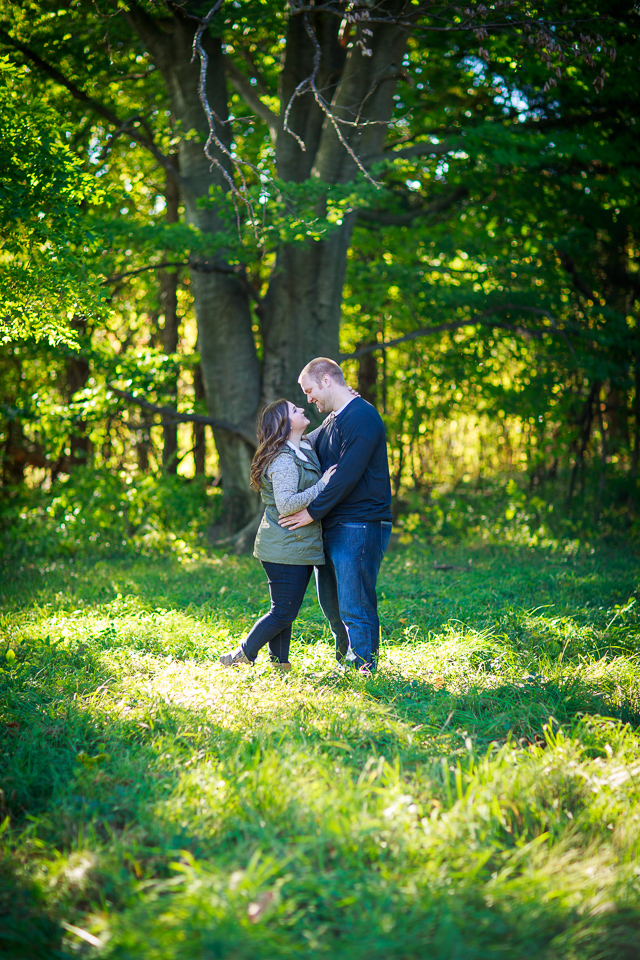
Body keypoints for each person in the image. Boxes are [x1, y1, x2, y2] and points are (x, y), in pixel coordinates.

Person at [279, 357, 393, 674]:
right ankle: (345, 660)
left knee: (354, 602)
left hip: (360, 522)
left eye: (310, 390)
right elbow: (303, 444)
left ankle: (364, 665)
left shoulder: (363, 417)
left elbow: (345, 476)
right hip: (331, 524)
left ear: (327, 380)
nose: (309, 398)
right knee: (331, 604)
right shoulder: (333, 420)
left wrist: (310, 511)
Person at [219, 399, 336, 670]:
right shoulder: (284, 459)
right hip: (283, 547)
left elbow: (326, 428)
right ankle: (243, 654)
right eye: (295, 410)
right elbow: (286, 504)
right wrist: (323, 484)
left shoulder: (303, 445)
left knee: (285, 610)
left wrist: (341, 406)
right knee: (283, 611)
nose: (302, 409)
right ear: (285, 424)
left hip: (295, 545)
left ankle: (280, 665)